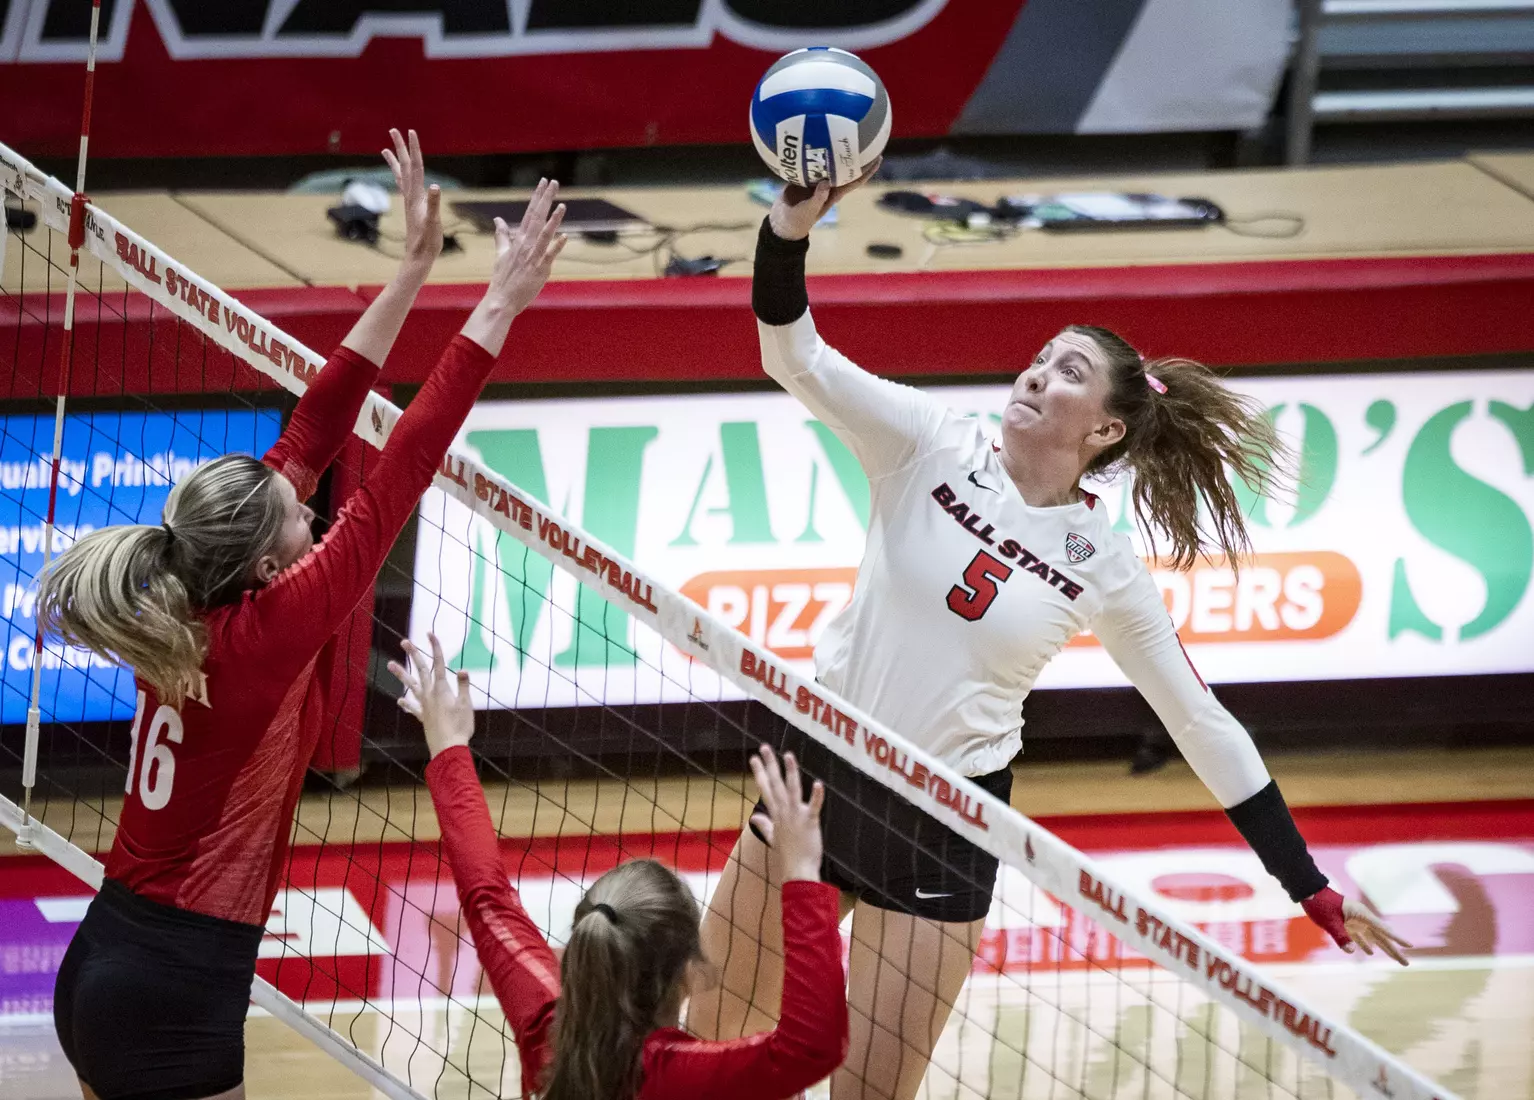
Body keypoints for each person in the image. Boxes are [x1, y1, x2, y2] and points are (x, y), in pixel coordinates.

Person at [688, 166, 1412, 1100]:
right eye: (1040, 357)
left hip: (946, 818)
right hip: (816, 777)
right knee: (707, 1048)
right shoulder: (929, 442)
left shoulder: (1102, 563)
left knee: (869, 1094)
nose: (1037, 372)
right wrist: (788, 229)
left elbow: (1199, 722)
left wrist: (1306, 883)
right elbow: (795, 356)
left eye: (1069, 372)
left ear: (1105, 430)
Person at [38, 131, 568, 1100]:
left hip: (107, 952)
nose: (310, 501)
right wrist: (500, 302)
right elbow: (401, 463)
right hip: (173, 991)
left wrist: (410, 270)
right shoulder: (268, 632)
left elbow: (313, 427)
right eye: (298, 511)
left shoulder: (196, 594)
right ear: (268, 560)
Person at [388, 633, 849, 1100]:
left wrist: (448, 746)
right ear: (689, 971)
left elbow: (487, 898)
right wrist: (804, 874)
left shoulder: (548, 1033)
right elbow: (810, 1049)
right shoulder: (679, 1076)